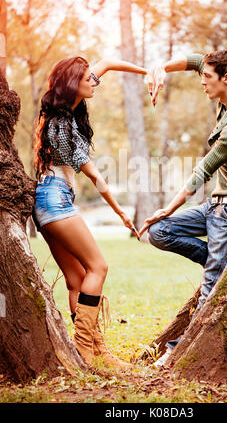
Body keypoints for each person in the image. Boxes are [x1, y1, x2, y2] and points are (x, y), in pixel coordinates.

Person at [139, 50, 227, 364]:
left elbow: (203, 171)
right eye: (202, 75)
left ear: (226, 78)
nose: (201, 81)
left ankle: (176, 354)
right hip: (215, 205)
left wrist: (168, 207)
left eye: (207, 78)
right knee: (158, 232)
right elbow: (196, 61)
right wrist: (160, 68)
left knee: (209, 290)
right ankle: (221, 266)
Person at [33, 56, 146, 369]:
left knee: (76, 280)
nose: (94, 81)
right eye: (88, 79)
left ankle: (97, 352)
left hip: (46, 201)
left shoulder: (63, 112)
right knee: (98, 267)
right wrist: (123, 215)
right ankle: (86, 348)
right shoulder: (62, 126)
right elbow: (97, 178)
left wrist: (148, 71)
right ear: (74, 84)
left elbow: (107, 62)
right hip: (55, 200)